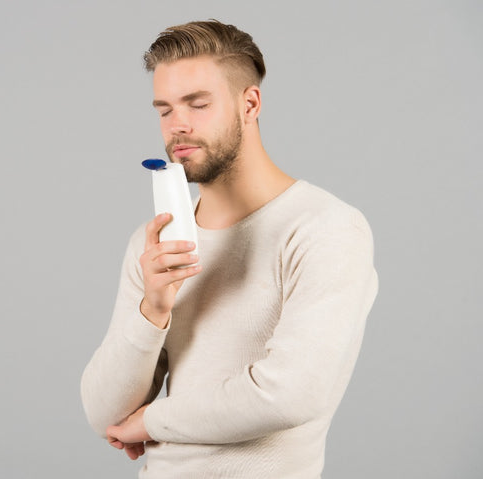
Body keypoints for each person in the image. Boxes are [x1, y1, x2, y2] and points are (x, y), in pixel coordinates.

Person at [80, 19, 378, 479]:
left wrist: (153, 421)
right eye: (164, 109)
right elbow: (104, 416)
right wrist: (152, 309)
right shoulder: (154, 242)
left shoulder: (325, 229)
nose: (177, 125)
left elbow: (289, 394)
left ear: (250, 104)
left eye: (197, 104)